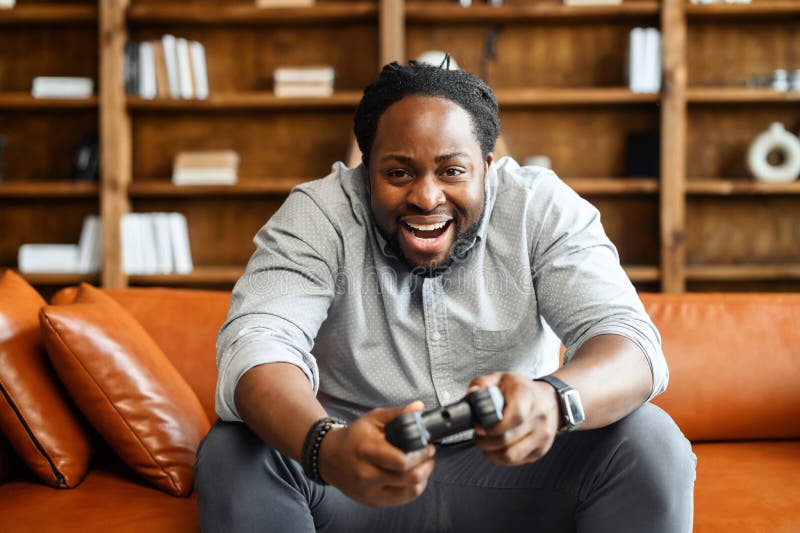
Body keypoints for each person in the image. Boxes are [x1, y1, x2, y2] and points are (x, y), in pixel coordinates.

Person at [195, 61, 696, 532]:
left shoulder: (539, 205)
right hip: (354, 475)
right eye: (398, 173)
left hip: (517, 474)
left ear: (487, 166)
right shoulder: (318, 214)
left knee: (650, 439)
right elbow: (258, 343)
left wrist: (555, 399)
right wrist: (326, 447)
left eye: (452, 171)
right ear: (365, 171)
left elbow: (629, 343)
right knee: (233, 450)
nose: (426, 198)